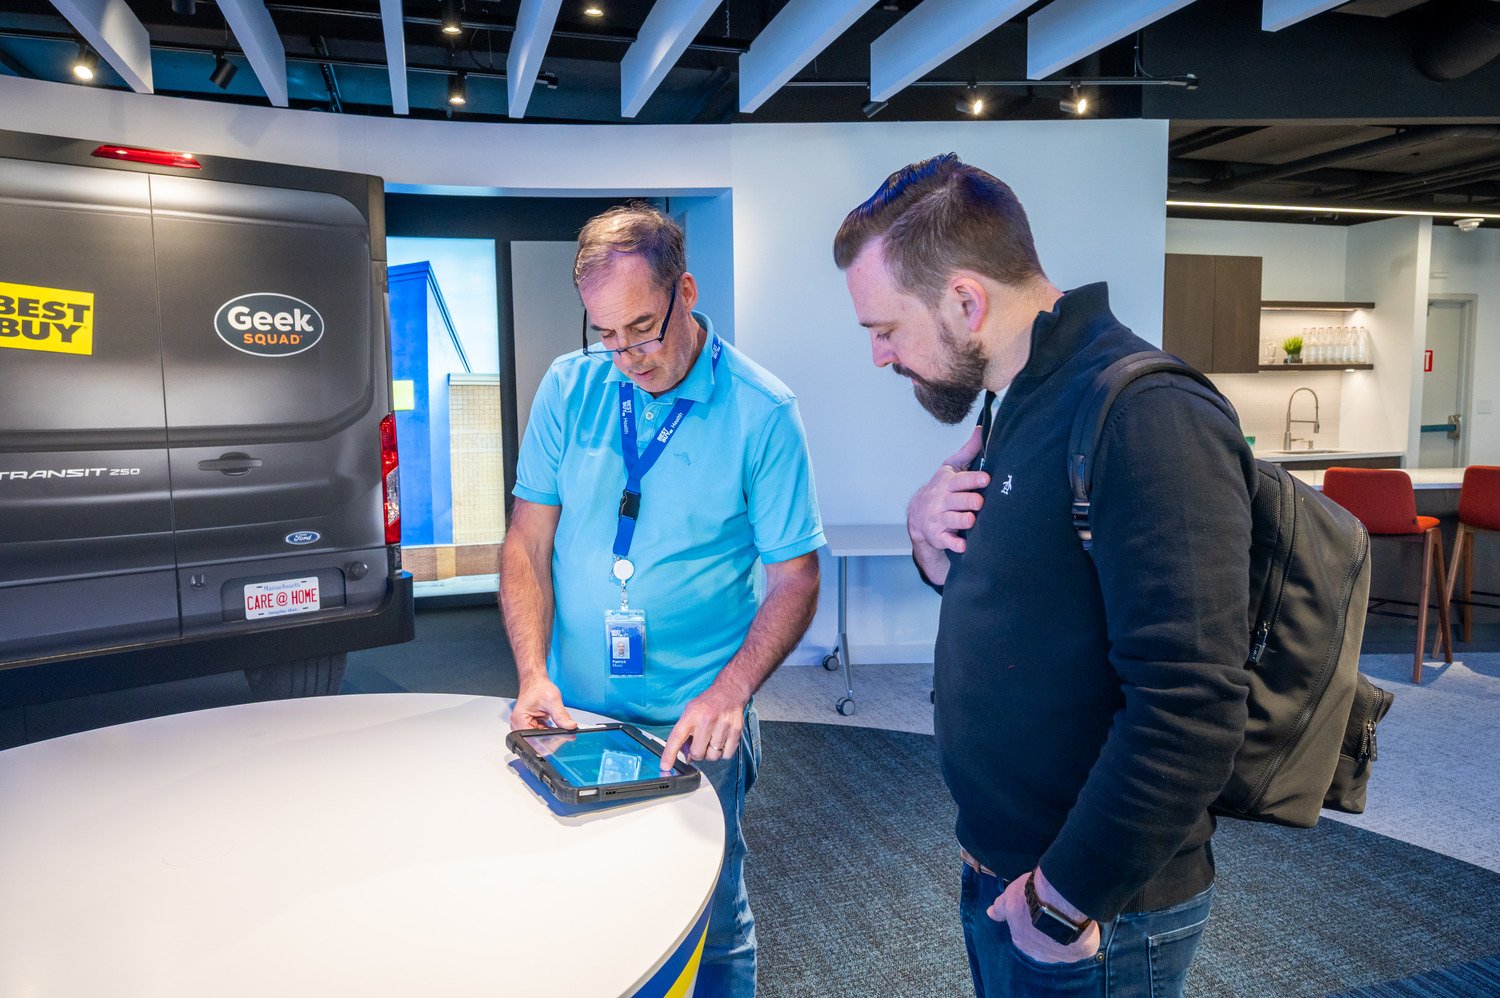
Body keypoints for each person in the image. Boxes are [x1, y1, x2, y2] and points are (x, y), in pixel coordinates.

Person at [833, 154, 1255, 997]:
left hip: (1093, 909)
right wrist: (929, 541)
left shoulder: (1148, 416)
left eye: (884, 329)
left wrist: (1062, 903)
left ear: (964, 300)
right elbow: (1038, 610)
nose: (880, 356)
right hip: (1008, 872)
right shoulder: (1017, 399)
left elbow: (1193, 708)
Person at [500, 202, 824, 997]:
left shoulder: (762, 411)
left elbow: (796, 577)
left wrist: (731, 691)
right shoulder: (570, 387)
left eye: (642, 328)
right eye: (605, 335)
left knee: (709, 919)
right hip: (576, 712)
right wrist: (533, 674)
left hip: (694, 722)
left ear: (687, 289)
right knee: (589, 906)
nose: (626, 356)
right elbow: (525, 544)